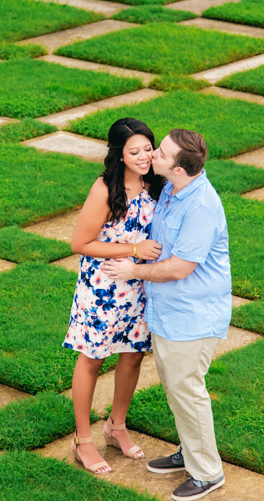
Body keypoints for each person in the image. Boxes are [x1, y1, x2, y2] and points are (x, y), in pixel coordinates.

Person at [102, 129, 231, 500]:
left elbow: (178, 268)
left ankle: (207, 473)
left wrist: (132, 271)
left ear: (178, 169)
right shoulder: (174, 190)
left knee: (188, 392)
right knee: (177, 391)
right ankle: (191, 453)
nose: (152, 155)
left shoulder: (200, 206)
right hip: (170, 313)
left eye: (160, 153)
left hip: (192, 317)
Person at [63, 118, 165, 475]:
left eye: (148, 149)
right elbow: (80, 244)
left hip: (139, 285)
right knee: (92, 359)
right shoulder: (105, 189)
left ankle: (116, 427)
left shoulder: (156, 183)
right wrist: (134, 247)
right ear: (119, 155)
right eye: (134, 151)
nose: (143, 156)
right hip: (103, 288)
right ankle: (83, 440)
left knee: (133, 356)